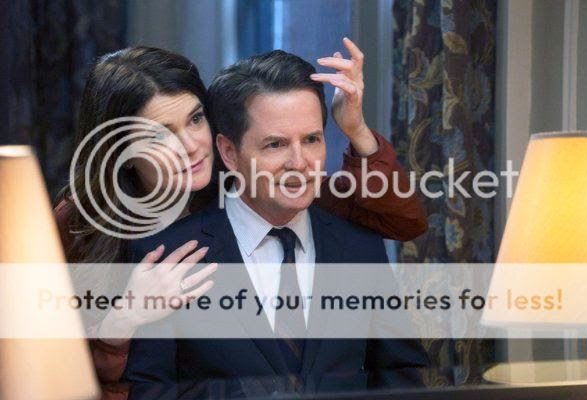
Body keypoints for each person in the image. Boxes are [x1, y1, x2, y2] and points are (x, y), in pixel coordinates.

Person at [54, 41, 427, 399]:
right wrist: (122, 321)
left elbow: (401, 223)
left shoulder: (271, 188)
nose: (190, 146)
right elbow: (57, 374)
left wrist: (356, 130)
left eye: (196, 119)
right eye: (159, 135)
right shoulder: (80, 227)